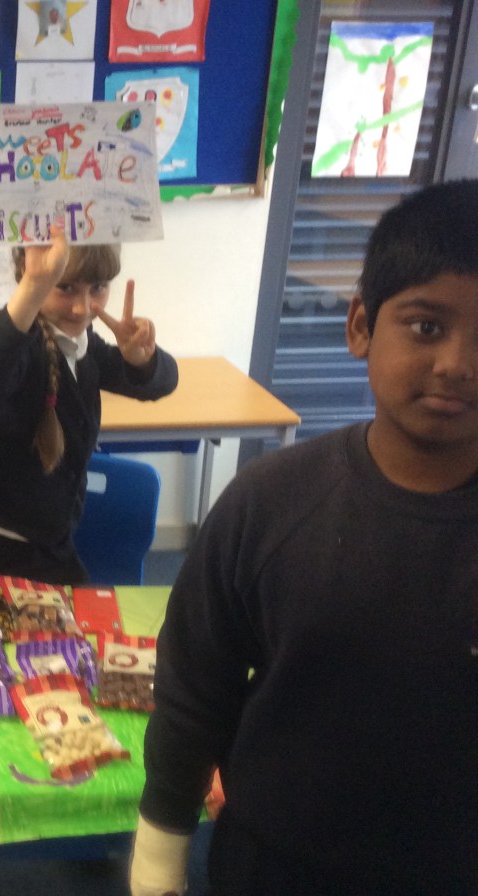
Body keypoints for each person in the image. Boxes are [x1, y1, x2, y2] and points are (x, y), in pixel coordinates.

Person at [131, 180, 478, 895]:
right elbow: (195, 687)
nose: (457, 365)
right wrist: (158, 859)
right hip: (273, 865)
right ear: (361, 327)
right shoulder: (270, 503)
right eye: (425, 327)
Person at [0, 225, 178, 585]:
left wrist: (143, 360)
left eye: (98, 288)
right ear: (28, 272)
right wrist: (33, 288)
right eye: (65, 288)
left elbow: (160, 384)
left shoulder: (83, 344)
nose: (82, 307)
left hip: (51, 548)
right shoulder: (16, 336)